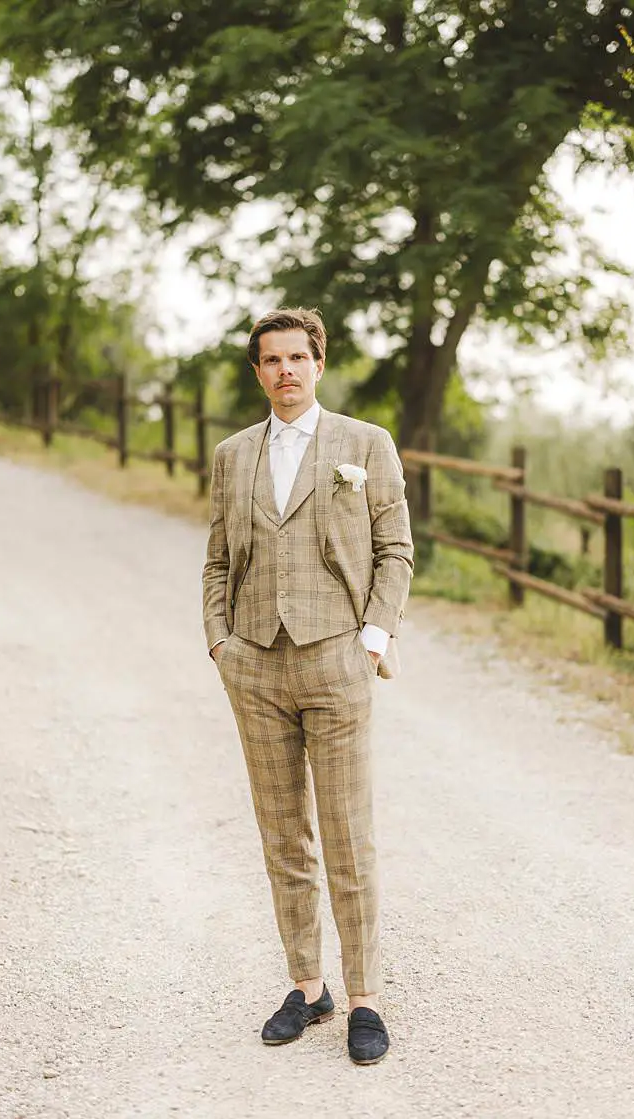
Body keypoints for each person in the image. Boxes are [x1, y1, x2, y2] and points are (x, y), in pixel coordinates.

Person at [202, 307, 413, 1065]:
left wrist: (373, 638)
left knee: (349, 834)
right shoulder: (232, 454)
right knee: (282, 834)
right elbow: (218, 558)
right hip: (253, 662)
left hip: (337, 659)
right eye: (271, 360)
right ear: (257, 372)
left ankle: (365, 998)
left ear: (319, 364)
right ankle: (307, 985)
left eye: (298, 358)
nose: (285, 371)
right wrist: (220, 640)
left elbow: (396, 550)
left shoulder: (365, 444)